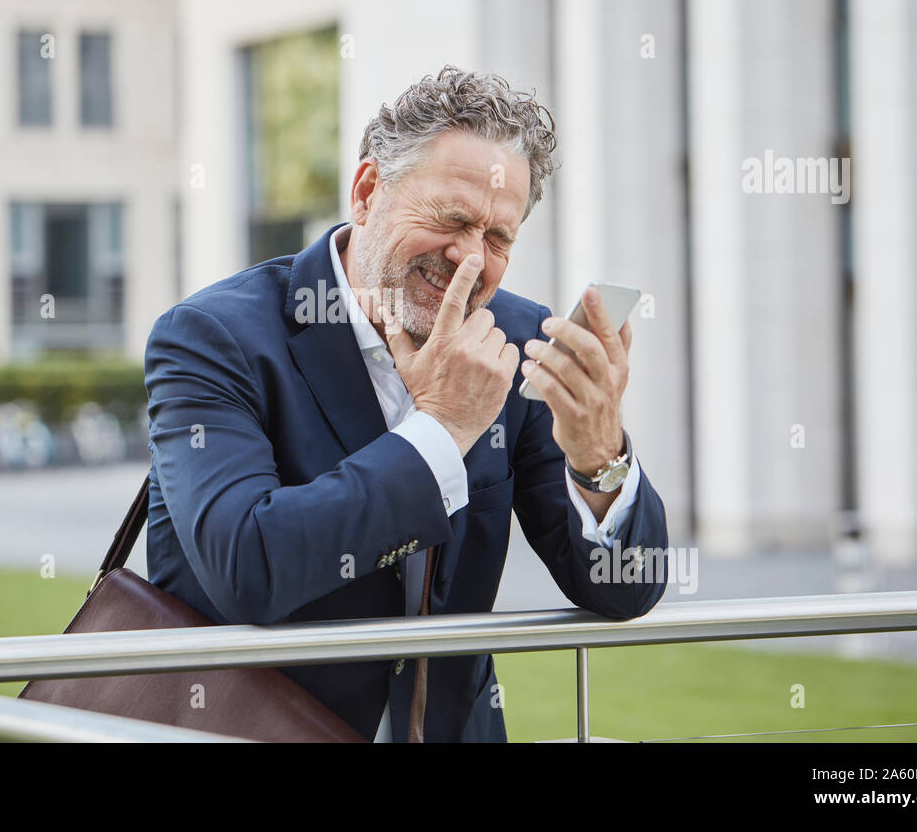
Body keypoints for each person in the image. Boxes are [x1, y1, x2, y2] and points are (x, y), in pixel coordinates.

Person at [144, 64, 669, 742]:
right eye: (451, 218)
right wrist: (441, 430)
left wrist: (601, 456)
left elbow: (623, 587)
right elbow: (248, 565)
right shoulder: (214, 337)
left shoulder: (516, 339)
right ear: (367, 192)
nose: (470, 259)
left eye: (498, 237)